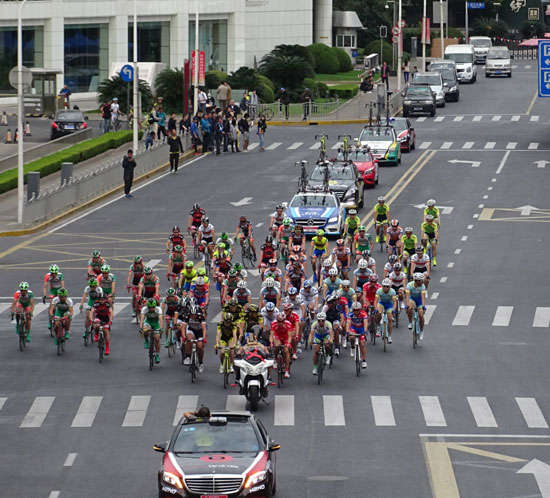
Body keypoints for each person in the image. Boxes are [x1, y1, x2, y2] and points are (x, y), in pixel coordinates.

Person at [140, 298, 163, 364]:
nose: (151, 309)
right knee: (145, 330)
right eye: (149, 307)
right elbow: (142, 319)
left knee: (157, 338)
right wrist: (141, 328)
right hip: (148, 322)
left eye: (153, 307)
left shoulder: (158, 309)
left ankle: (157, 355)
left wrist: (160, 329)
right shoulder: (144, 309)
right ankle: (146, 340)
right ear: (147, 306)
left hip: (156, 323)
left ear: (155, 306)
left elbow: (161, 320)